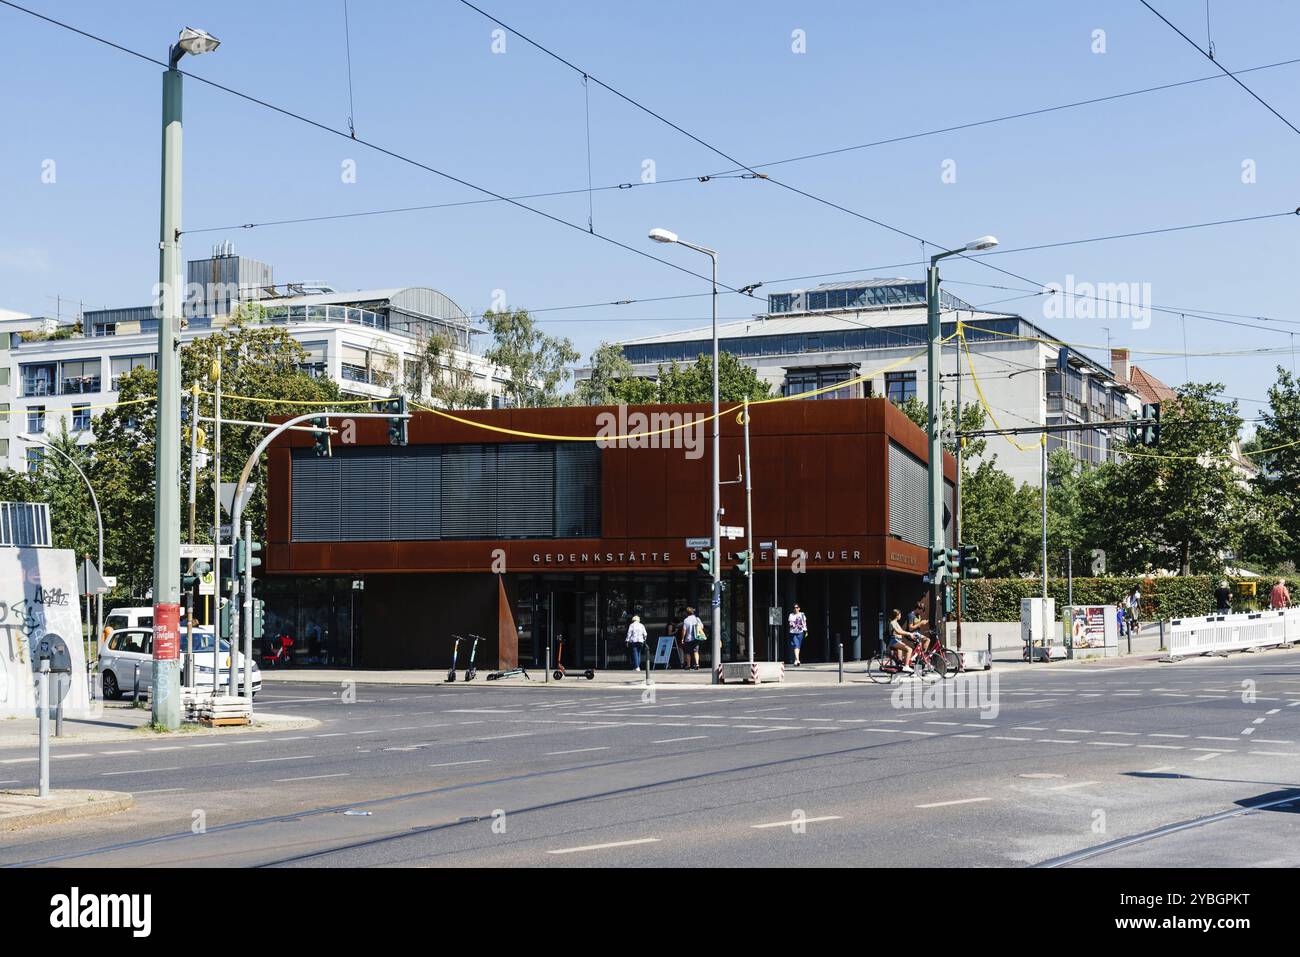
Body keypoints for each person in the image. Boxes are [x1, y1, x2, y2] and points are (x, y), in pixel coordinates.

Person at [887, 609, 916, 674]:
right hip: (894, 641)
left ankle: (897, 673)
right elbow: (898, 632)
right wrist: (909, 634)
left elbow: (902, 631)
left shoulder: (896, 622)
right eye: (900, 614)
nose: (901, 616)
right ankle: (906, 666)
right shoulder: (892, 622)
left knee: (900, 661)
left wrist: (911, 634)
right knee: (909, 649)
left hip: (898, 640)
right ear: (897, 615)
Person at [679, 607, 703, 671]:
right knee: (696, 651)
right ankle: (697, 664)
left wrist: (682, 638)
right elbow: (702, 627)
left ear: (687, 613)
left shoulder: (686, 620)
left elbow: (684, 630)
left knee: (687, 652)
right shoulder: (697, 619)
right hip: (696, 638)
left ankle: (688, 665)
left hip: (688, 638)